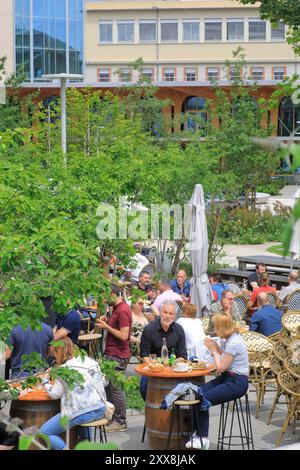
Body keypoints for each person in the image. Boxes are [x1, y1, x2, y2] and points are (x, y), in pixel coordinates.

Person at [186, 314, 249, 450]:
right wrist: (215, 347)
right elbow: (226, 356)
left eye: (215, 326)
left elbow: (220, 368)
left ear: (221, 327)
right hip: (229, 377)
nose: (214, 329)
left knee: (204, 399)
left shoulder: (233, 342)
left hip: (237, 382)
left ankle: (203, 438)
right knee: (198, 392)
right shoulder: (231, 338)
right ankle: (196, 434)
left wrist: (214, 351)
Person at [39, 337, 106, 450]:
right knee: (82, 410)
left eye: (54, 353)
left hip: (83, 414)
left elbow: (55, 394)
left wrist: (45, 380)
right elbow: (103, 382)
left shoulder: (64, 369)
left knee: (44, 432)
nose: (53, 357)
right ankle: (85, 441)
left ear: (59, 351)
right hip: (100, 408)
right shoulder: (90, 361)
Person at [96, 284, 132, 432]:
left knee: (116, 389)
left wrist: (107, 327)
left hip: (118, 355)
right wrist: (108, 320)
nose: (104, 300)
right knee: (111, 388)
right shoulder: (116, 309)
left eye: (105, 297)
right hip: (112, 353)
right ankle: (114, 418)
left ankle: (121, 421)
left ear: (112, 294)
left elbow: (124, 336)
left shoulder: (123, 310)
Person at [140, 300, 187, 400]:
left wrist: (170, 366)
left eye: (171, 313)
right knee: (144, 387)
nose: (168, 316)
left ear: (174, 316)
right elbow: (144, 355)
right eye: (165, 312)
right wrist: (155, 367)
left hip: (173, 368)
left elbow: (183, 356)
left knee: (186, 389)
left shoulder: (179, 330)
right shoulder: (149, 329)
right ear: (160, 313)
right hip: (153, 367)